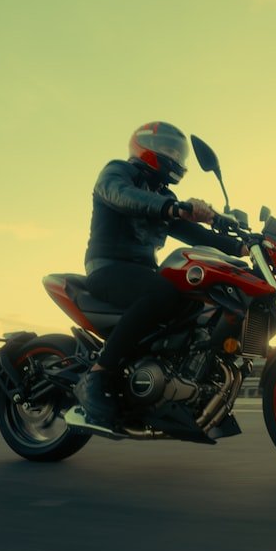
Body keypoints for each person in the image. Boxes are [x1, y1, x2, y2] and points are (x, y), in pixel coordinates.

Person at [74, 121, 247, 427]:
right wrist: (175, 207)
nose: (174, 157)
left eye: (176, 152)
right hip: (107, 268)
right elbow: (125, 197)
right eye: (167, 149)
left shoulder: (161, 194)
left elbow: (196, 234)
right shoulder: (118, 173)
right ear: (146, 148)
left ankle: (177, 379)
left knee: (196, 298)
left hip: (140, 271)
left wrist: (242, 245)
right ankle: (97, 376)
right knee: (162, 293)